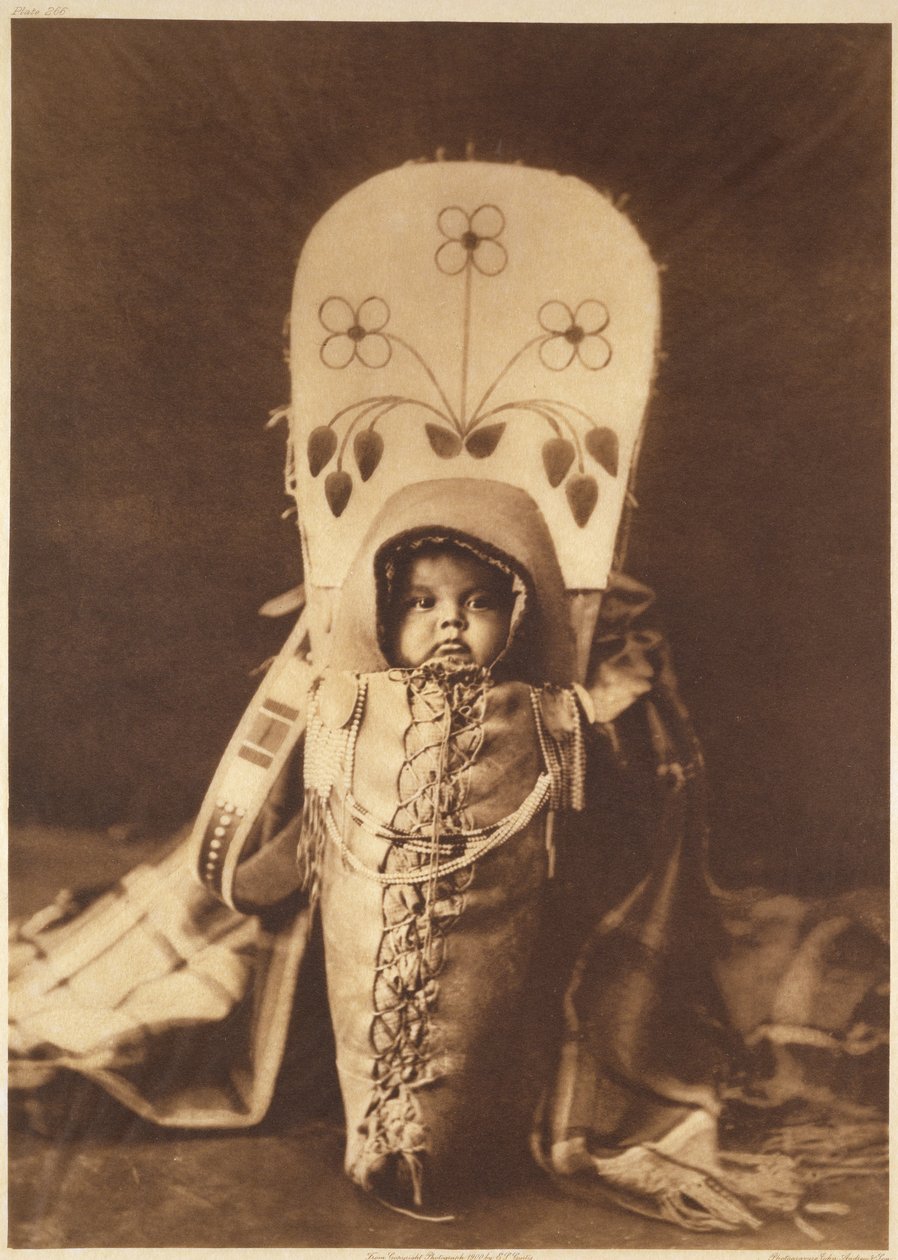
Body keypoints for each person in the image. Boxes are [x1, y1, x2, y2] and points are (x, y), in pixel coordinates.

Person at [10, 157, 886, 1237]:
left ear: (521, 606)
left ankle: (493, 1119)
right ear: (382, 611)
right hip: (337, 925)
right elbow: (263, 837)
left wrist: (594, 725)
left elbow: (623, 814)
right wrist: (266, 873)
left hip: (531, 924)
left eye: (478, 601)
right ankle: (361, 1112)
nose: (450, 623)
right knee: (297, 966)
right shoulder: (340, 698)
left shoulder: (559, 707)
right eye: (421, 602)